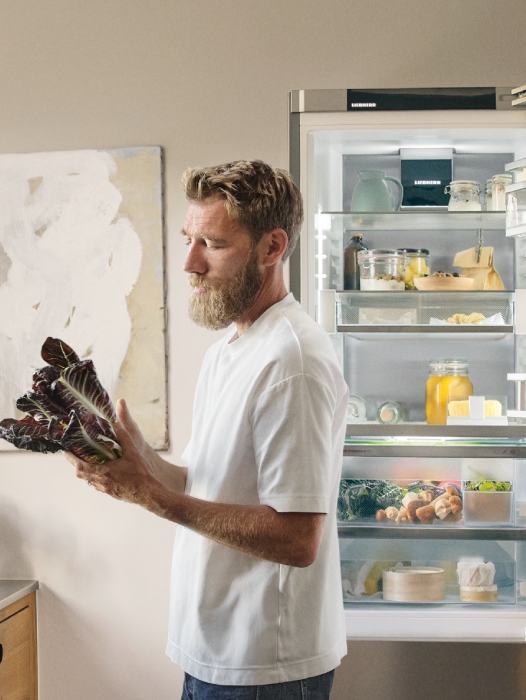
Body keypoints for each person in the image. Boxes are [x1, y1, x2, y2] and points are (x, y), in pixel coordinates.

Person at [67, 160, 347, 698]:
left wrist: (148, 496)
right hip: (215, 654)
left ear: (272, 248)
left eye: (213, 244)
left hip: (266, 666)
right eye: (188, 239)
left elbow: (297, 537)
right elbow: (204, 484)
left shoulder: (293, 362)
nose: (190, 263)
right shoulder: (232, 349)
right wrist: (137, 456)